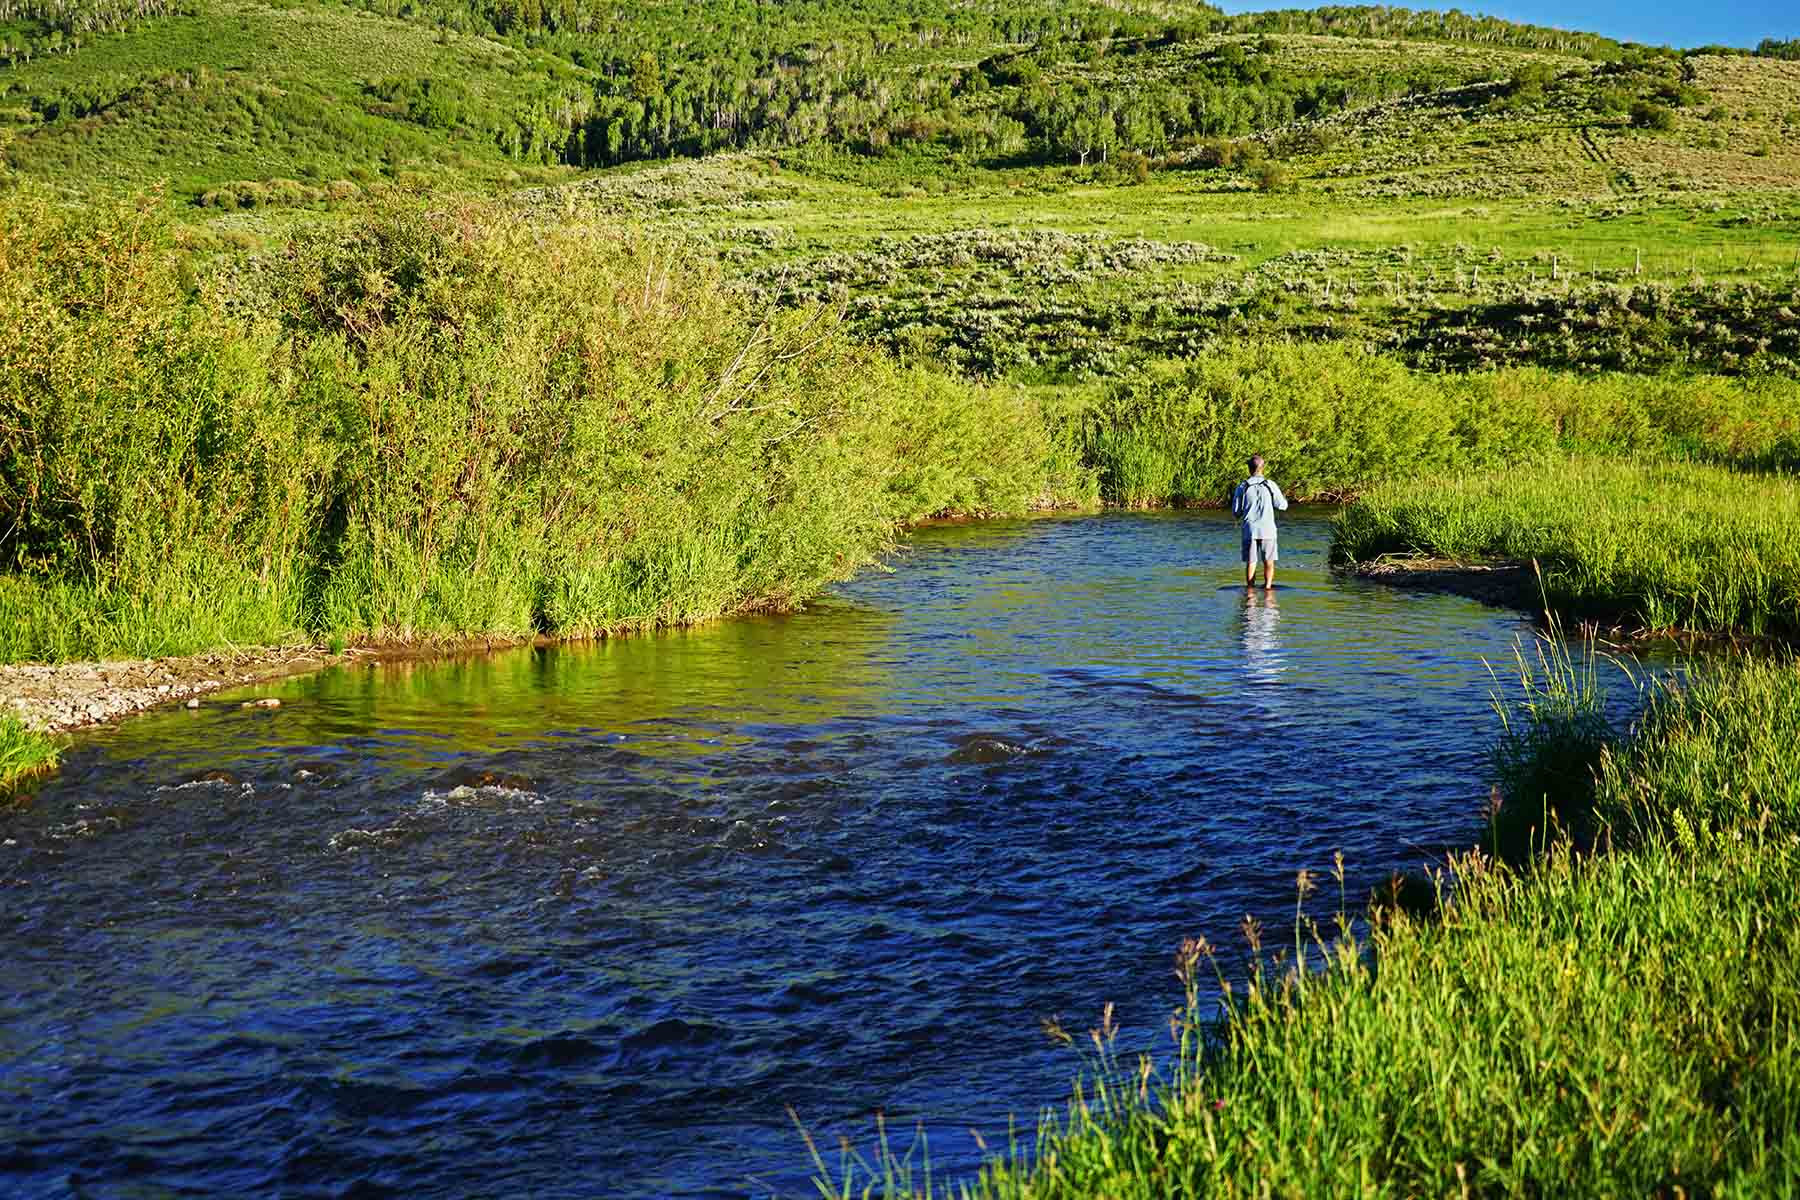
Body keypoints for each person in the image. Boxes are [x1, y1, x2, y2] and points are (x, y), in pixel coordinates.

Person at [1230, 454, 1288, 589]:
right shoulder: (1271, 484)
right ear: (1263, 468)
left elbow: (1236, 512)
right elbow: (1282, 506)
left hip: (1249, 530)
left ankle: (1250, 593)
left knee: (1251, 562)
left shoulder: (1242, 487)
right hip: (1268, 530)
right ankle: (1268, 590)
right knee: (1269, 561)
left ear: (1249, 469)